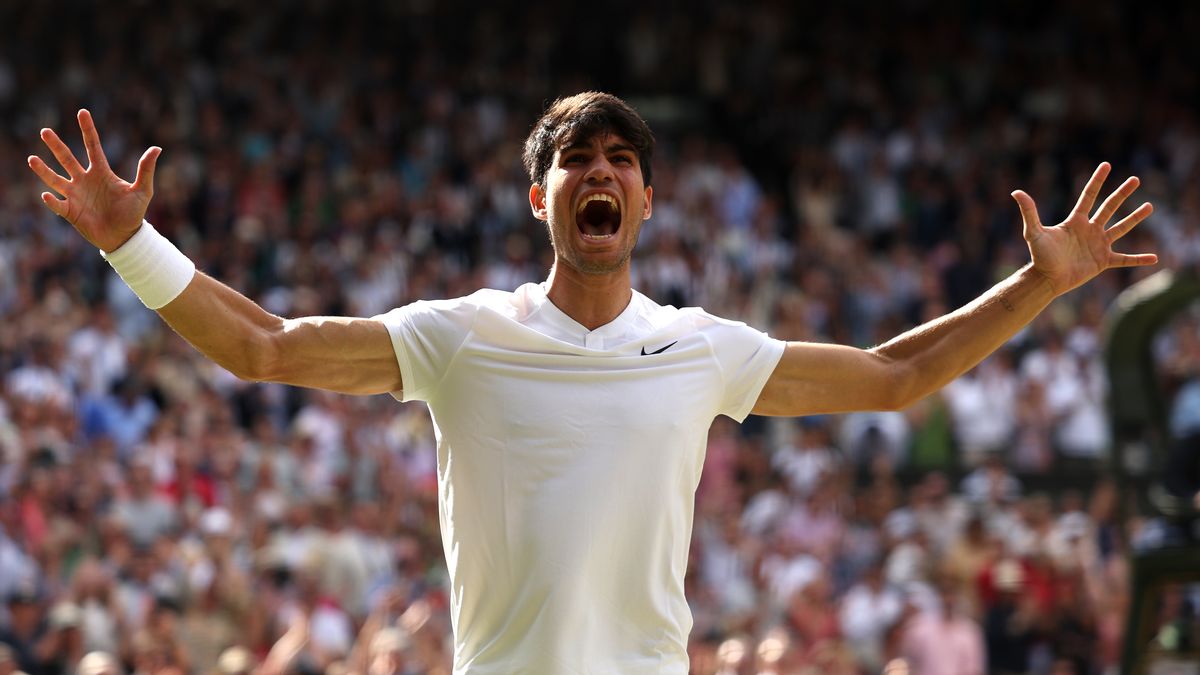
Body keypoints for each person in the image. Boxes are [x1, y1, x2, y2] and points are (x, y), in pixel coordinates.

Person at [26, 92, 1156, 673]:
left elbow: (898, 375)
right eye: (578, 158)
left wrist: (1039, 285)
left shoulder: (704, 348)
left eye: (622, 159)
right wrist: (135, 245)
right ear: (542, 199)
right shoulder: (458, 337)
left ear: (648, 202)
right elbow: (267, 348)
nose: (600, 171)